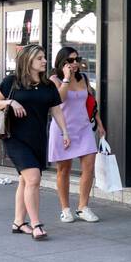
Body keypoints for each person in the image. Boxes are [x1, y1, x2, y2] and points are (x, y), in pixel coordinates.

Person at [0, 44, 70, 240]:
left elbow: (56, 110)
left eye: (44, 57)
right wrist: (10, 102)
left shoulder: (48, 86)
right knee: (33, 178)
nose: (44, 61)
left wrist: (65, 132)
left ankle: (18, 222)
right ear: (28, 61)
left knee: (25, 180)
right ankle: (36, 224)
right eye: (40, 58)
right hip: (15, 138)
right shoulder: (12, 81)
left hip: (37, 138)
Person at [48, 46, 106, 223]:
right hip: (62, 129)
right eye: (70, 60)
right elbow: (59, 99)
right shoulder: (54, 79)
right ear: (62, 62)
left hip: (83, 128)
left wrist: (100, 124)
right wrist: (66, 78)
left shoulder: (84, 78)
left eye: (76, 59)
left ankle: (83, 207)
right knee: (63, 169)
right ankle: (65, 209)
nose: (75, 63)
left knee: (89, 166)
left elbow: (90, 102)